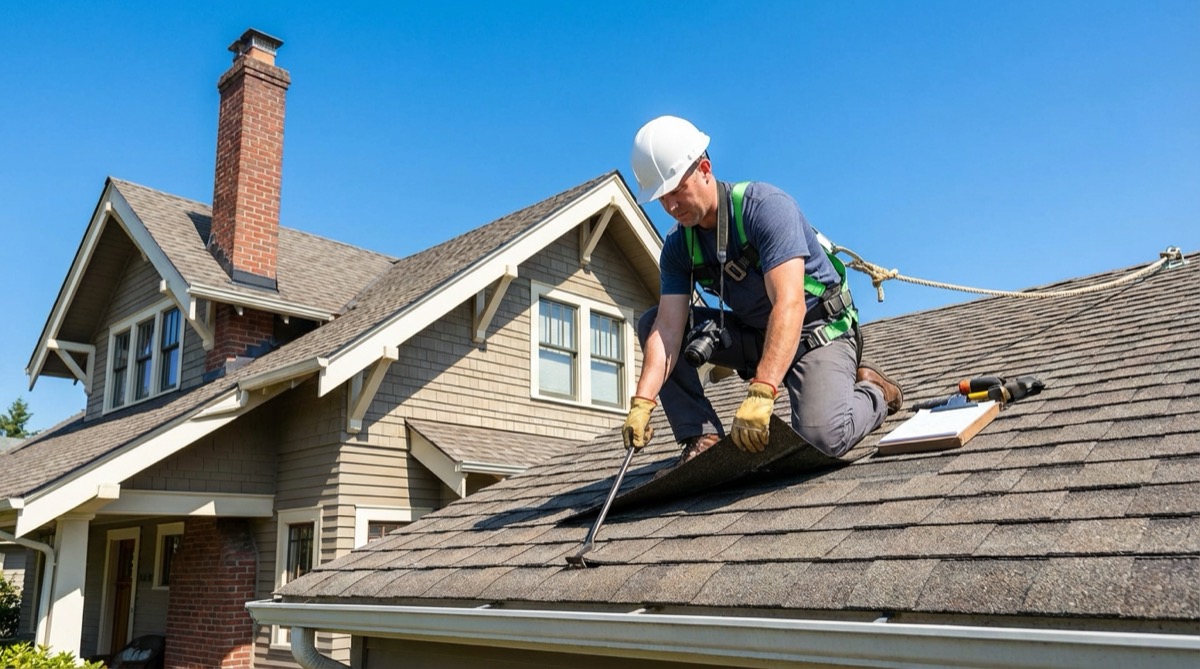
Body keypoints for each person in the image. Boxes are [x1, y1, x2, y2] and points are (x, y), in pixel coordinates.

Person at [622, 115, 903, 463]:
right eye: (662, 198)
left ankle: (875, 391)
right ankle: (703, 436)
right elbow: (666, 330)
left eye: (677, 190)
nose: (672, 207)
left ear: (705, 168)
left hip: (817, 331)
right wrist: (643, 401)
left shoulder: (765, 208)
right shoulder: (680, 247)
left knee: (822, 439)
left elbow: (790, 304)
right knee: (650, 321)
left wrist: (763, 390)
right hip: (758, 334)